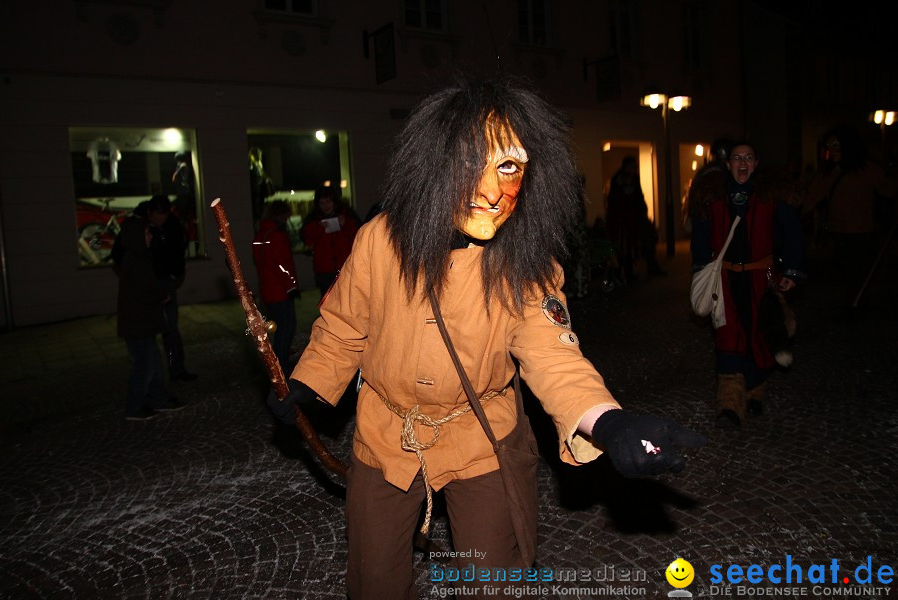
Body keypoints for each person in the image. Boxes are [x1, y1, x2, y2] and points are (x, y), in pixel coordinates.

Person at [266, 77, 704, 599]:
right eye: (473, 161)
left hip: (481, 438)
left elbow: (551, 354)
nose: (493, 190)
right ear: (437, 162)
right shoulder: (380, 239)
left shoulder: (527, 265)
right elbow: (343, 325)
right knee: (375, 579)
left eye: (509, 167)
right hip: (387, 437)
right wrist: (309, 384)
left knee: (492, 579)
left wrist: (606, 421)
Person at [690, 141, 805, 430]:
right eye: (737, 158)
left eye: (749, 158)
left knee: (760, 335)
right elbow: (701, 238)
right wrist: (700, 270)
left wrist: (792, 269)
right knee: (728, 338)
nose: (743, 163)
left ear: (756, 163)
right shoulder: (711, 197)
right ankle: (730, 405)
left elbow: (793, 234)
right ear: (728, 164)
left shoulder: (771, 197)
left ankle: (755, 389)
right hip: (725, 281)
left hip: (760, 279)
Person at [803, 125, 893, 315]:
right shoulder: (830, 172)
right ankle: (854, 303)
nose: (832, 150)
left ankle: (858, 304)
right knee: (847, 270)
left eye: (837, 145)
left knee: (859, 270)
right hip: (838, 230)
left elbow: (889, 189)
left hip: (861, 231)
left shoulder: (867, 170)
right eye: (830, 146)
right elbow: (812, 196)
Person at [112, 195, 196, 381]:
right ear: (150, 213)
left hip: (166, 282)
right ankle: (151, 377)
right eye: (158, 215)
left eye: (164, 214)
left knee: (170, 328)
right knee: (147, 334)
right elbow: (120, 253)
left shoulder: (172, 225)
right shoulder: (137, 227)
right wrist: (132, 276)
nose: (161, 219)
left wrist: (175, 273)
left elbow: (178, 249)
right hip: (148, 284)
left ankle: (176, 369)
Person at [115, 214, 186, 420]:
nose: (151, 237)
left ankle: (159, 398)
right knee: (144, 366)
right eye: (147, 233)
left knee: (153, 362)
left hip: (143, 322)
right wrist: (161, 296)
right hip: (137, 324)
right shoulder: (136, 259)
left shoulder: (139, 257)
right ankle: (135, 406)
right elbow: (141, 291)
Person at [252, 200, 301, 371]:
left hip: (268, 289)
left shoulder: (261, 234)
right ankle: (281, 363)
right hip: (280, 291)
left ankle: (279, 359)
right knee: (286, 327)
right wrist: (292, 286)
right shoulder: (277, 235)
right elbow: (282, 264)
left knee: (279, 327)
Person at [606, 156, 664, 280]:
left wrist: (643, 211)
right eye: (632, 166)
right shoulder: (618, 180)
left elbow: (639, 197)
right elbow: (614, 201)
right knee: (626, 247)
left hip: (636, 218)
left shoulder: (634, 180)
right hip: (623, 221)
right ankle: (628, 273)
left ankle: (649, 267)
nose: (634, 169)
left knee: (646, 241)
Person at [300, 185, 360, 295]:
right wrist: (318, 227)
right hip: (325, 271)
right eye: (322, 203)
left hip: (345, 267)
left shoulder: (347, 215)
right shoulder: (312, 219)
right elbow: (306, 240)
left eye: (328, 202)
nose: (326, 206)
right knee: (328, 302)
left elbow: (360, 236)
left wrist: (345, 224)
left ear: (334, 202)